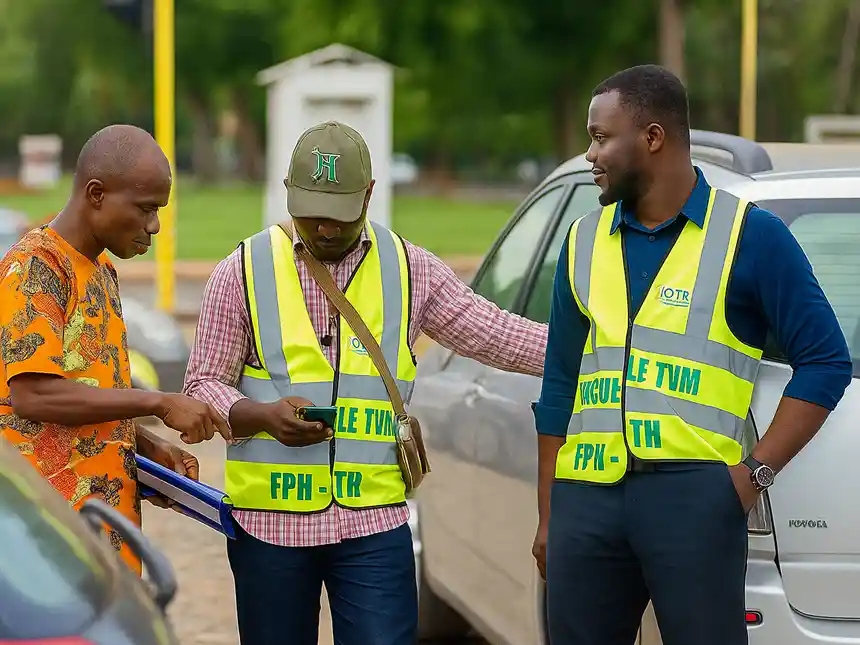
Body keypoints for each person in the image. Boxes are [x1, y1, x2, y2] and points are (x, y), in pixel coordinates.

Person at [183, 120, 548, 645]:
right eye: (311, 214)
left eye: (339, 216)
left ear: (370, 195)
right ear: (287, 193)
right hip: (269, 527)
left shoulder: (410, 270)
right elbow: (202, 384)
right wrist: (260, 416)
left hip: (372, 528)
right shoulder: (241, 271)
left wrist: (594, 353)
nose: (325, 229)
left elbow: (495, 333)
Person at [532, 65, 853, 645]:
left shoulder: (750, 237)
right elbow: (559, 385)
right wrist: (550, 515)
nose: (590, 155)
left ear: (652, 137)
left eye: (601, 138)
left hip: (694, 502)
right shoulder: (582, 240)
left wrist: (752, 477)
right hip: (586, 501)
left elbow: (826, 362)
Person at [0, 124, 230, 574]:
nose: (155, 225)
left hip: (105, 548)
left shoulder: (102, 271)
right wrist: (158, 402)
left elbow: (88, 392)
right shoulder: (35, 268)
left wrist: (142, 446)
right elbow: (35, 395)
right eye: (146, 209)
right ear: (97, 194)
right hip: (48, 549)